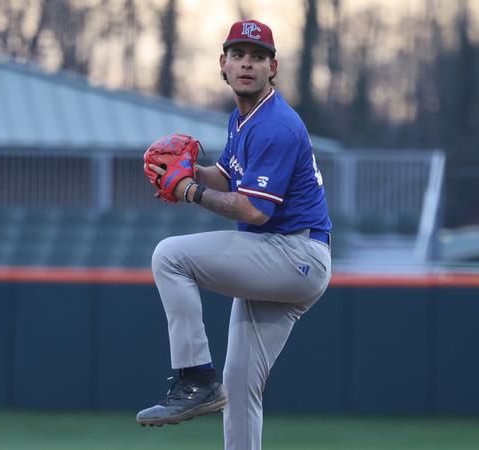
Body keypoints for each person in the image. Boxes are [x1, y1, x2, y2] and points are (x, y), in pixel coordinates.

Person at [136, 19, 332, 450]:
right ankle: (211, 386)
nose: (247, 64)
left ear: (272, 67)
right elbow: (226, 177)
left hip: (293, 252)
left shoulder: (276, 124)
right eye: (239, 55)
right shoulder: (243, 119)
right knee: (240, 385)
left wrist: (188, 189)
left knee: (170, 256)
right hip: (282, 256)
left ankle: (194, 377)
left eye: (258, 57)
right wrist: (187, 171)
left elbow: (254, 209)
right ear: (222, 65)